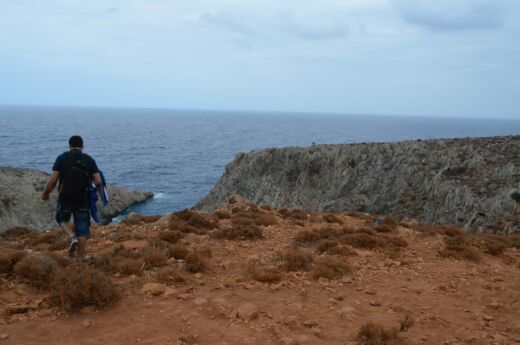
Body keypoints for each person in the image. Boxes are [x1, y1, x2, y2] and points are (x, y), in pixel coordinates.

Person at [42, 135, 102, 259]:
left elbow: (53, 180)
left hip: (65, 197)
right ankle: (80, 260)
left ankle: (71, 236)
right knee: (82, 229)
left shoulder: (62, 158)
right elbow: (98, 181)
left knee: (61, 218)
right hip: (82, 199)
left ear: (69, 146)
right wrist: (92, 191)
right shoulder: (89, 159)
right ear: (83, 146)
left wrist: (46, 194)